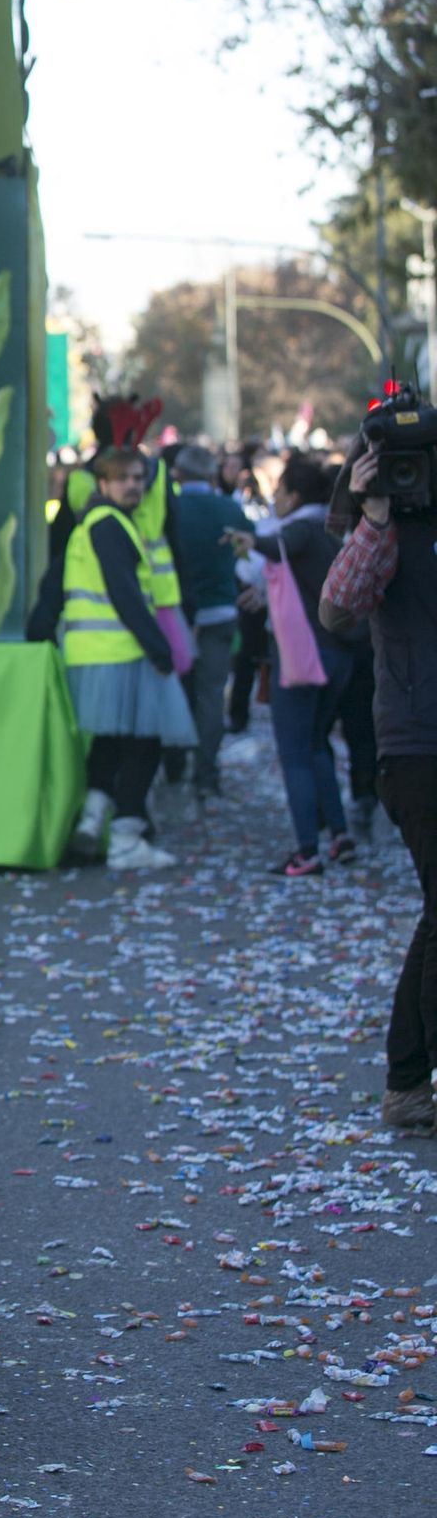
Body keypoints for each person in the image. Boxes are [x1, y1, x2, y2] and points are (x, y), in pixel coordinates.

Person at [321, 430, 437, 1132]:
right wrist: (373, 515)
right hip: (416, 745)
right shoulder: (391, 529)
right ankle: (410, 1081)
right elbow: (336, 610)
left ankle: (406, 1080)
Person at [30, 444, 196, 871]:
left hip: (99, 652)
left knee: (113, 740)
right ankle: (125, 834)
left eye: (139, 478)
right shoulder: (109, 526)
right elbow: (124, 592)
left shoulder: (95, 523)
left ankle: (92, 819)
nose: (134, 486)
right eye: (124, 479)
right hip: (122, 650)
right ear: (103, 484)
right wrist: (158, 647)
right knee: (145, 741)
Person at [241, 452, 354, 877]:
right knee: (316, 744)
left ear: (291, 495)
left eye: (280, 493)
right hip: (337, 653)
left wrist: (247, 539)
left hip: (302, 655)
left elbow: (271, 548)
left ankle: (307, 847)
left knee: (295, 752)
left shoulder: (301, 530)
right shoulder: (330, 530)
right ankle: (339, 834)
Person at [167, 443, 250, 802]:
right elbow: (249, 559)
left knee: (175, 693)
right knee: (211, 697)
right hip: (220, 613)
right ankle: (206, 775)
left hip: (175, 618)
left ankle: (173, 766)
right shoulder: (229, 508)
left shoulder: (167, 510)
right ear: (212, 474)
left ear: (178, 474)